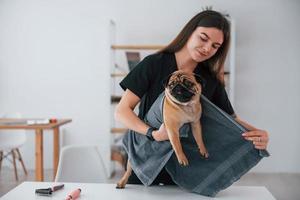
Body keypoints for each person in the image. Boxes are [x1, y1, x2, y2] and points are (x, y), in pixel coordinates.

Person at [115, 9, 269, 186]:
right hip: (144, 161)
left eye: (215, 46)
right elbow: (121, 111)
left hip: (184, 170)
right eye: (203, 38)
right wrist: (154, 134)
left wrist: (259, 133)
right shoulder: (154, 64)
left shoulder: (210, 79)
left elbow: (231, 119)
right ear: (190, 32)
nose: (207, 48)